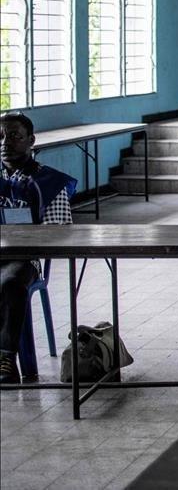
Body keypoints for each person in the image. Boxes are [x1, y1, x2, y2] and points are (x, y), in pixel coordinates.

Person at [1, 112, 77, 384]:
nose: (4, 142)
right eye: (0, 136)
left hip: (24, 260)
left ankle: (6, 358)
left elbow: (57, 233)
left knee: (10, 281)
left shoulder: (48, 182)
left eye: (13, 136)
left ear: (31, 140)